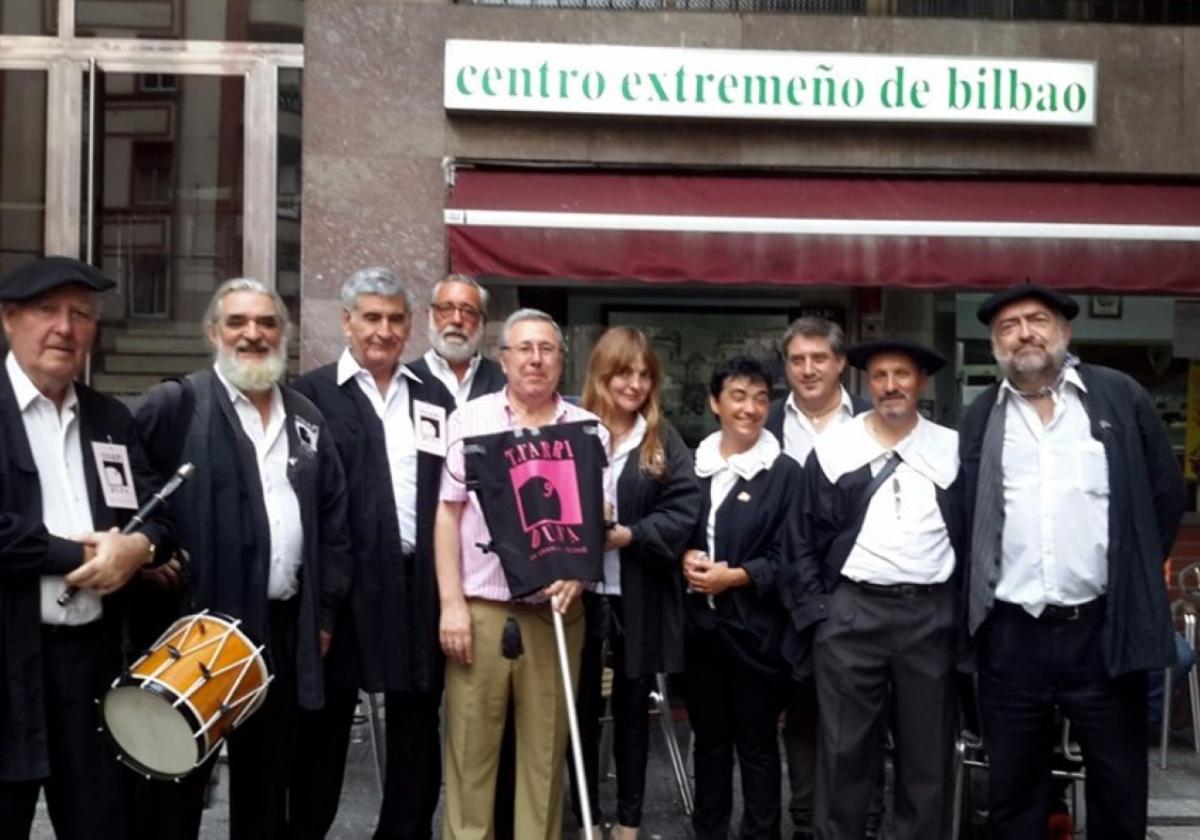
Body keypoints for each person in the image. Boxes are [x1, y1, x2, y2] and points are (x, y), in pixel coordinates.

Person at [960, 284, 1187, 839]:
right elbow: (961, 511)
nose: (1024, 333)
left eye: (1036, 320)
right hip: (1010, 632)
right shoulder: (982, 414)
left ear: (1064, 332)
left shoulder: (1116, 396)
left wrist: (1134, 572)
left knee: (1118, 780)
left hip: (1102, 628)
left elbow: (1164, 493)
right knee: (1015, 784)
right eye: (1009, 326)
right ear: (996, 344)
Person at [132, 278, 352, 839]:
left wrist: (323, 614)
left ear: (284, 335)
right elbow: (129, 496)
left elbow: (333, 521)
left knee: (265, 793)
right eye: (238, 322)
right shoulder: (175, 405)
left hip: (279, 632)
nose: (253, 334)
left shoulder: (307, 418)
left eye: (267, 323)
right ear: (213, 333)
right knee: (175, 792)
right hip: (193, 636)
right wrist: (147, 559)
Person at [0, 257, 173, 840]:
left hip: (91, 663)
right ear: (8, 319)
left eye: (80, 314)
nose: (64, 329)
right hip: (8, 658)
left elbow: (159, 508)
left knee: (102, 822)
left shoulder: (109, 419)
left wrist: (139, 548)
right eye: (47, 311)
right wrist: (80, 559)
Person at [292, 268, 456, 839]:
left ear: (410, 326)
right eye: (371, 317)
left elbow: (451, 493)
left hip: (418, 588)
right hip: (344, 588)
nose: (383, 331)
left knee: (416, 730)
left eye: (394, 319)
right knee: (325, 731)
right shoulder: (308, 396)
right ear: (346, 321)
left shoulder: (434, 398)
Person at [436, 308, 610, 840]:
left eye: (547, 349)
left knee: (545, 754)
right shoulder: (470, 420)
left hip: (555, 611)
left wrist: (578, 573)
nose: (535, 360)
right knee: (470, 752)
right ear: (504, 359)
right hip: (481, 610)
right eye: (524, 349)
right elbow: (448, 514)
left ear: (562, 360)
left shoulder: (589, 430)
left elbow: (598, 518)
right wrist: (451, 606)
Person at [786, 339, 963, 840]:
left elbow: (974, 531)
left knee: (926, 756)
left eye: (902, 375)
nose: (891, 386)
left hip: (930, 615)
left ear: (921, 383)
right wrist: (821, 613)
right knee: (843, 753)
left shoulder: (951, 448)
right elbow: (800, 539)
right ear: (868, 382)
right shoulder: (835, 449)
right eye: (881, 375)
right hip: (851, 615)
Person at [569, 327, 701, 840]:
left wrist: (631, 534)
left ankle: (628, 823)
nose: (635, 384)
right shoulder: (573, 428)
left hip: (635, 597)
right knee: (577, 714)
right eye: (625, 372)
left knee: (630, 713)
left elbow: (686, 507)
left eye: (645, 375)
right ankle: (584, 818)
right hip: (577, 595)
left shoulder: (660, 438)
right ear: (603, 373)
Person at [763, 317, 878, 840]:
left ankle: (862, 818)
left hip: (849, 590)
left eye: (819, 358)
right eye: (797, 359)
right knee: (801, 710)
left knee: (860, 716)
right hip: (771, 589)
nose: (808, 370)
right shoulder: (761, 421)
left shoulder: (874, 422)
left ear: (840, 364)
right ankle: (807, 820)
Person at [682, 356, 802, 840]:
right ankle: (708, 832)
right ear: (715, 403)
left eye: (759, 398)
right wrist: (684, 557)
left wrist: (736, 576)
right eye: (737, 396)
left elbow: (791, 557)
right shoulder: (692, 466)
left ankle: (761, 833)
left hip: (756, 632)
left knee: (757, 746)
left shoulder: (786, 472)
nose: (750, 408)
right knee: (709, 744)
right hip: (701, 630)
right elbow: (675, 529)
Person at [408, 274, 505, 407]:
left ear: (482, 321)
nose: (457, 320)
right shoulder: (406, 380)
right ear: (430, 315)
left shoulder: (505, 381)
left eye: (468, 311)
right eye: (446, 309)